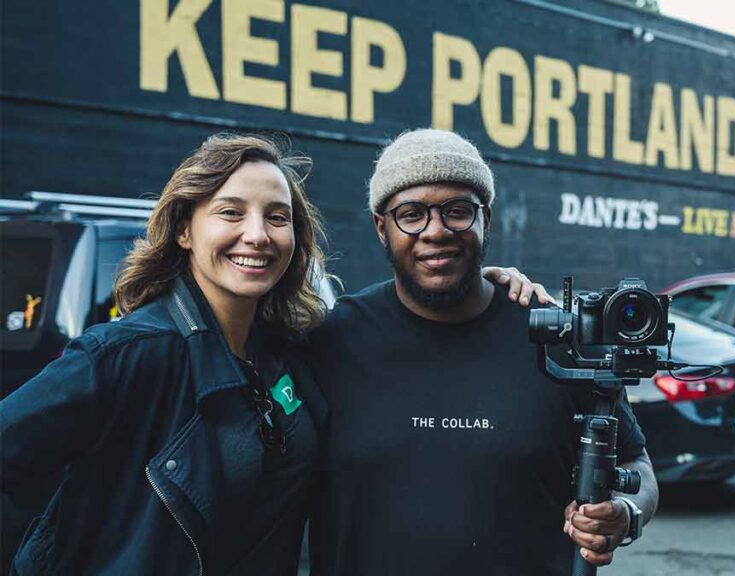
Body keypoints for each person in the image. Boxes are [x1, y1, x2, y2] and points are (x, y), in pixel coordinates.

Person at [0, 132, 545, 575]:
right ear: (186, 229)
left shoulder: (292, 349)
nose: (256, 235)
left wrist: (490, 287)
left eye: (277, 217)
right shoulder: (127, 354)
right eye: (230, 213)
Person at [308, 129, 658, 575]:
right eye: (411, 214)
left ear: (485, 220)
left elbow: (637, 463)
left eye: (457, 211)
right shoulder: (331, 340)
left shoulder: (555, 339)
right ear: (382, 227)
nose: (435, 231)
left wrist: (625, 513)